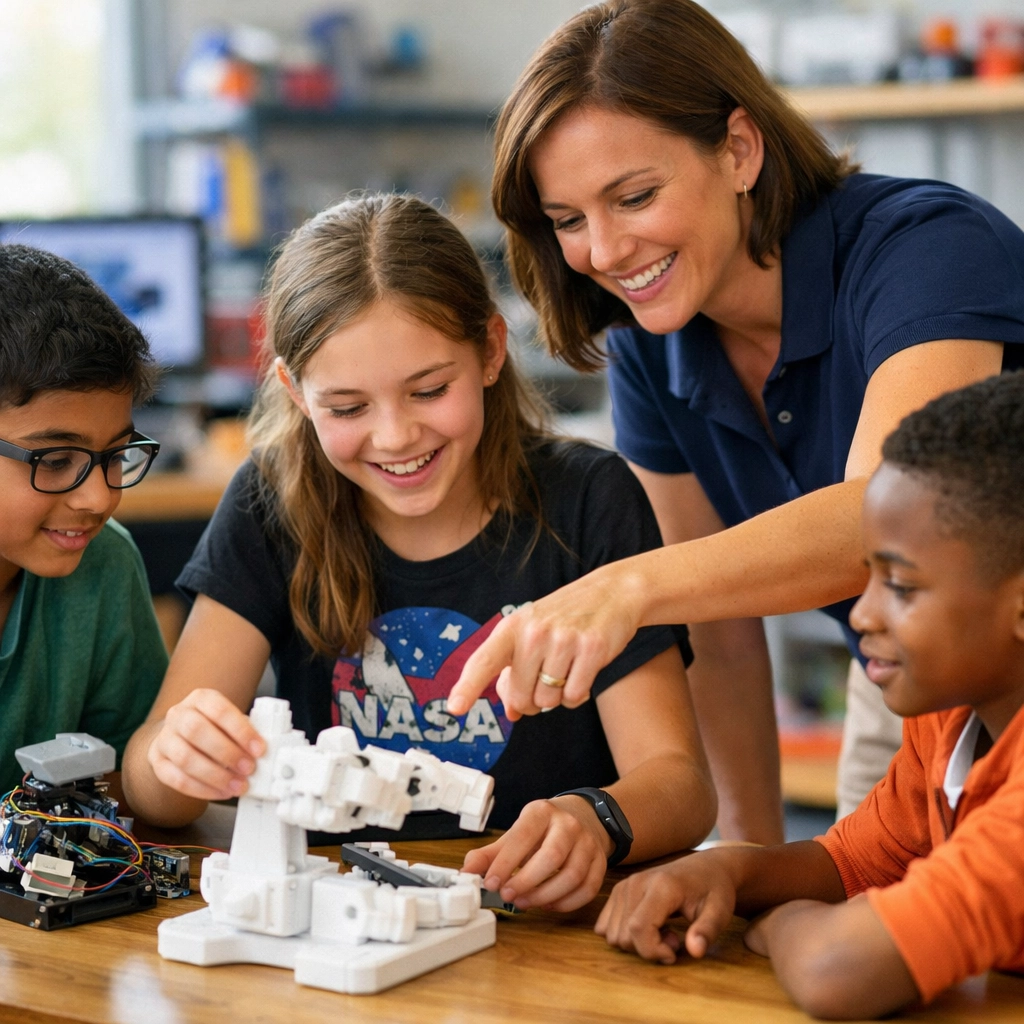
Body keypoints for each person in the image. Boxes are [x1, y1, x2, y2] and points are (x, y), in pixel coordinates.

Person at [448, 0, 1024, 841]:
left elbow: (885, 524)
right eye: (569, 221)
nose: (604, 253)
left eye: (635, 196)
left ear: (740, 150)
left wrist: (626, 586)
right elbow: (717, 629)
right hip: (909, 673)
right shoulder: (654, 343)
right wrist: (747, 865)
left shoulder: (928, 250)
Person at [121, 194, 715, 912]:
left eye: (429, 390)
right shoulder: (270, 501)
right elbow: (152, 783)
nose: (396, 436)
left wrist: (598, 820)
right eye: (347, 408)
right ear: (296, 393)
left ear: (492, 350)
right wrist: (177, 757)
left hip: (536, 925)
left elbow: (679, 786)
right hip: (340, 923)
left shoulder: (588, 499)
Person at [595, 373, 1024, 1019]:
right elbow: (856, 860)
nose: (861, 616)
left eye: (901, 587)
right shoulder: (951, 717)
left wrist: (788, 921)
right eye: (868, 577)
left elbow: (836, 970)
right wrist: (731, 873)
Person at [0, 244, 166, 792]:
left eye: (116, 456)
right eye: (54, 460)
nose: (98, 498)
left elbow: (124, 784)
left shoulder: (105, 564)